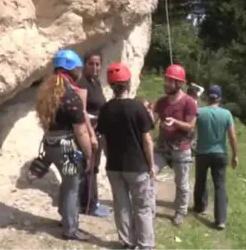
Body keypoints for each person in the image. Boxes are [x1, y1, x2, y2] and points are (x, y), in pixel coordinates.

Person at [29, 49, 93, 241]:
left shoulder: (47, 92)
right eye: (77, 69)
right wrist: (89, 154)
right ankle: (70, 229)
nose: (80, 72)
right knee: (73, 185)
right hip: (66, 147)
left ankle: (65, 215)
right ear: (70, 69)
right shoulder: (71, 96)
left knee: (67, 182)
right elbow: (80, 131)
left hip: (50, 144)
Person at [97, 62, 155, 250]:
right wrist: (151, 164)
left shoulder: (105, 109)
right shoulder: (138, 108)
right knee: (142, 207)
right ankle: (145, 245)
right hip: (137, 166)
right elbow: (147, 140)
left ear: (111, 85)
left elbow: (103, 140)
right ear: (128, 83)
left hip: (114, 166)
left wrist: (108, 157)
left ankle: (128, 242)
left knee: (121, 206)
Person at [153, 64, 198, 226]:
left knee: (182, 183)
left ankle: (180, 211)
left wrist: (175, 123)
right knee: (149, 173)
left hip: (181, 147)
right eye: (166, 80)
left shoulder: (189, 102)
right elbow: (152, 121)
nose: (166, 83)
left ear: (179, 84)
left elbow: (191, 126)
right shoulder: (161, 102)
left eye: (170, 81)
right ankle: (149, 207)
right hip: (162, 146)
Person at [193, 85, 238, 230]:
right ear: (220, 98)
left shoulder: (199, 112)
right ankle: (220, 220)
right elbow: (232, 136)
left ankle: (200, 207)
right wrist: (235, 155)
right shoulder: (226, 114)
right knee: (219, 185)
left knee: (200, 180)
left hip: (202, 153)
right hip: (220, 154)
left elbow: (190, 129)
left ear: (208, 97)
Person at [77, 51, 112, 217]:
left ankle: (93, 202)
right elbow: (82, 111)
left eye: (98, 64)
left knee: (94, 167)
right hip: (89, 130)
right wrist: (91, 133)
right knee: (89, 167)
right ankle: (88, 205)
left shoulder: (95, 82)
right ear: (85, 64)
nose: (95, 67)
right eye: (91, 63)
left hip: (99, 129)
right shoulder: (83, 83)